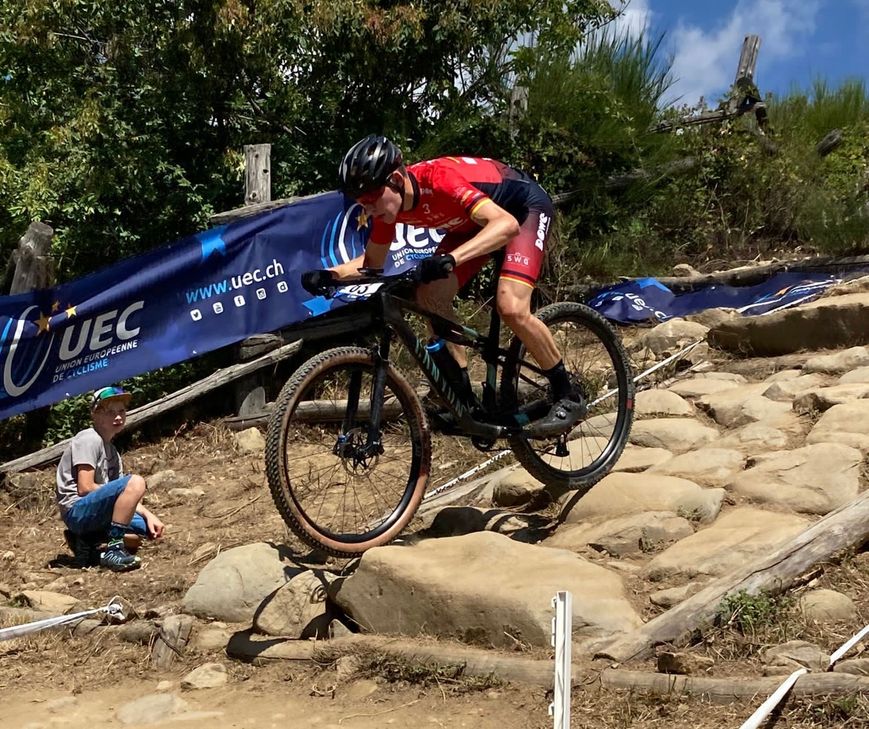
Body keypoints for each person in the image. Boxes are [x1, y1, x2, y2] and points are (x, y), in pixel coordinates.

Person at [305, 134, 583, 437]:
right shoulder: (389, 208)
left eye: (371, 200)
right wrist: (329, 275)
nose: (368, 210)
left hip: (519, 210)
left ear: (396, 179)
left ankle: (568, 394)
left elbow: (505, 225)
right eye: (361, 204)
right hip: (469, 225)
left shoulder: (440, 181)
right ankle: (465, 400)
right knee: (429, 294)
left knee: (511, 306)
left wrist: (451, 258)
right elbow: (371, 265)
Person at [55, 386, 164, 571]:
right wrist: (121, 492)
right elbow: (85, 487)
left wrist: (149, 515)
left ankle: (88, 541)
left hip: (98, 510)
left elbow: (124, 495)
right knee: (137, 481)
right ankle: (113, 550)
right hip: (77, 510)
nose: (118, 417)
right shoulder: (89, 438)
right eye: (110, 412)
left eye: (122, 411)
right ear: (95, 415)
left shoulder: (112, 452)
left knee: (147, 531)